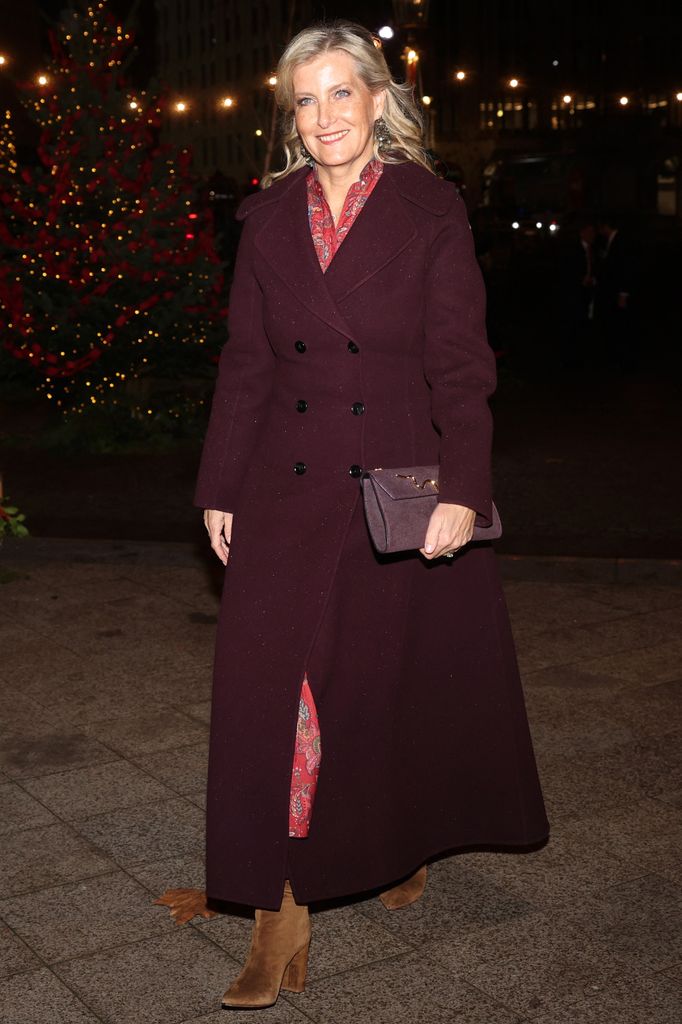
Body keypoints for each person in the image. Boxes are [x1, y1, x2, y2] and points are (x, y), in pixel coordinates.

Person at [194, 20, 549, 1011]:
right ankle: (278, 909)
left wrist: (463, 491)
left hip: (394, 486)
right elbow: (247, 366)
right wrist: (219, 485)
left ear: (380, 99)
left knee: (381, 689)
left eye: (340, 93)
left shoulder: (430, 210)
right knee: (275, 693)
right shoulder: (265, 220)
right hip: (283, 485)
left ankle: (395, 839)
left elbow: (461, 367)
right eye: (303, 100)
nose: (322, 117)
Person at [594, 212, 638, 371]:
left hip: (619, 292)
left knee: (622, 326)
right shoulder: (614, 242)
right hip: (615, 291)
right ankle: (620, 358)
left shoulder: (620, 242)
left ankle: (624, 360)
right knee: (619, 325)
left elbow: (626, 268)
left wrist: (623, 293)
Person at [557, 213, 596, 369]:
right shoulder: (573, 249)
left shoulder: (591, 249)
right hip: (573, 296)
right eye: (590, 232)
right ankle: (569, 359)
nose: (592, 236)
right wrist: (581, 280)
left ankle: (578, 357)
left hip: (585, 295)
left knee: (581, 327)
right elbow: (568, 272)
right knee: (571, 327)